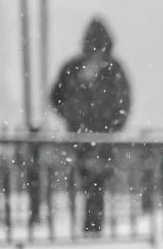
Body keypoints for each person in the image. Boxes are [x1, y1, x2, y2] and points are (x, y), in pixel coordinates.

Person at [50, 17, 131, 234]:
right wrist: (113, 124)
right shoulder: (113, 69)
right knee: (97, 180)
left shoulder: (73, 67)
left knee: (88, 177)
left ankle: (91, 221)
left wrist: (71, 115)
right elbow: (124, 101)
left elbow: (56, 97)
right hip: (101, 134)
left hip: (82, 133)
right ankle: (94, 222)